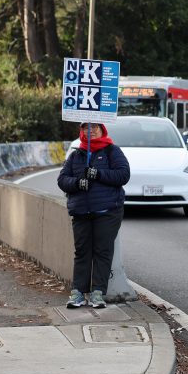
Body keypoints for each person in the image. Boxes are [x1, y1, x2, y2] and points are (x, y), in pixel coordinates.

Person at [57, 122, 130, 309]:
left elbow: (123, 175)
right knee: (82, 252)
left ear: (102, 129)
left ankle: (98, 293)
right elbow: (62, 179)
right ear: (81, 131)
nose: (91, 130)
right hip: (81, 212)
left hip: (107, 211)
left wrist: (98, 174)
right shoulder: (76, 155)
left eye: (95, 126)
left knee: (102, 251)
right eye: (86, 127)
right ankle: (78, 293)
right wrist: (77, 183)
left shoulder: (112, 151)